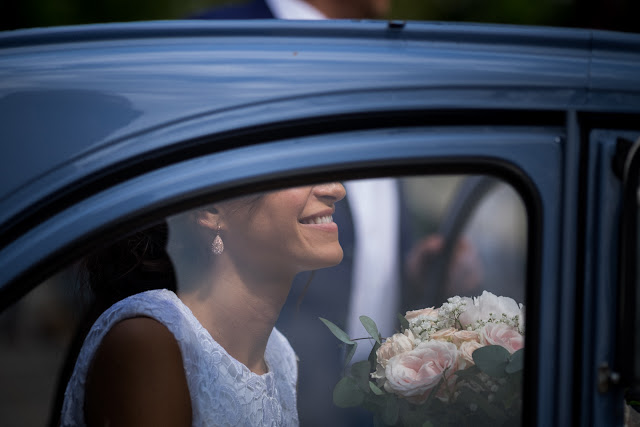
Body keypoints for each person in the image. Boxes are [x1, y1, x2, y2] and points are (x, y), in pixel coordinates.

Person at [59, 183, 346, 426]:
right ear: (212, 210)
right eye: (299, 173)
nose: (337, 190)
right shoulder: (150, 342)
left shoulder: (280, 355)